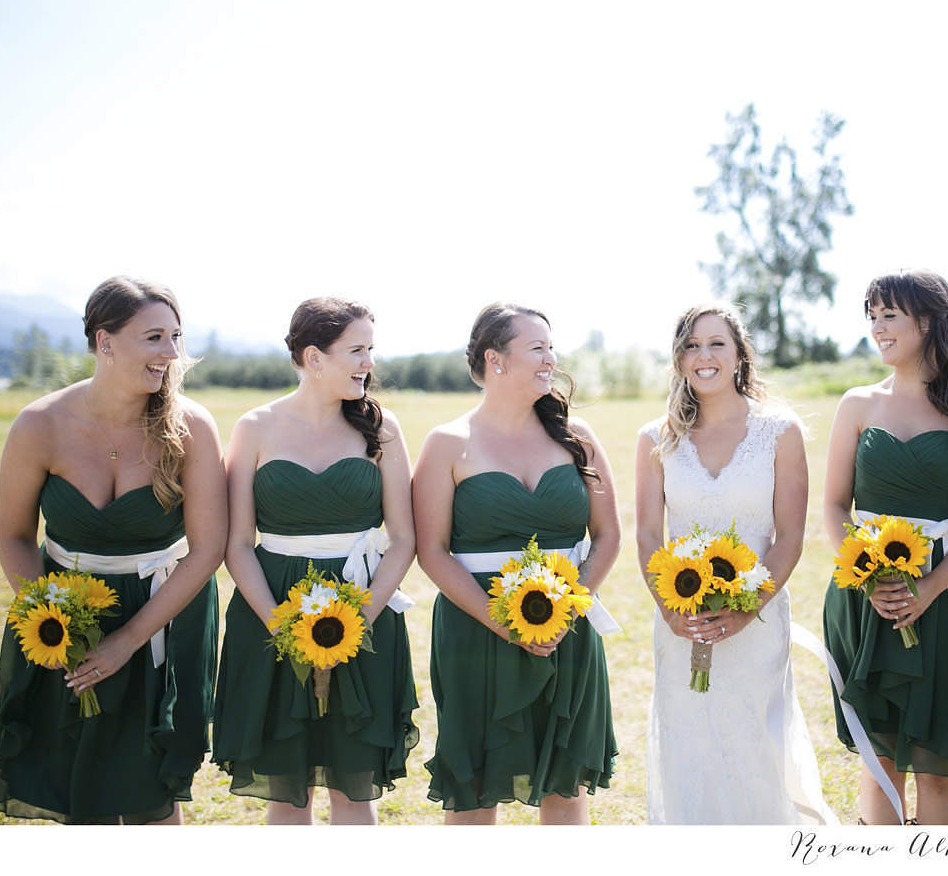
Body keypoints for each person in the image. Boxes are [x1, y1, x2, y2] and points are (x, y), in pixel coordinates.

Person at [0, 276, 226, 824]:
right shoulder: (39, 425)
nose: (171, 354)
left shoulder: (192, 427)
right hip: (63, 615)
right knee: (75, 778)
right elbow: (14, 536)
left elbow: (207, 550)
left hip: (164, 611)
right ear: (104, 342)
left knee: (152, 791)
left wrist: (129, 640)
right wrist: (52, 617)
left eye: (176, 337)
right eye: (154, 337)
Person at [211, 297, 419, 823]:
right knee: (288, 791)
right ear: (314, 357)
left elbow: (403, 539)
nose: (369, 362)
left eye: (371, 349)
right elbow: (237, 542)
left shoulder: (382, 428)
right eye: (356, 350)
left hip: (363, 609)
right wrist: (281, 623)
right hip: (271, 609)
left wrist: (358, 623)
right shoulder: (254, 427)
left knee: (355, 789)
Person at [412, 302, 619, 824]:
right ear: (495, 360)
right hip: (475, 635)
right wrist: (504, 623)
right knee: (477, 787)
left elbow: (609, 535)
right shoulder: (447, 443)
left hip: (567, 635)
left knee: (566, 789)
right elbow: (431, 550)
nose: (551, 358)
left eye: (551, 347)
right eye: (537, 348)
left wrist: (571, 609)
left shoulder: (578, 436)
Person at [820, 269, 948, 825]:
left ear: (928, 322)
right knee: (879, 755)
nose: (877, 328)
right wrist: (866, 576)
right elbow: (834, 506)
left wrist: (929, 587)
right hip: (868, 598)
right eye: (872, 316)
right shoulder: (858, 404)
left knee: (936, 760)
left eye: (890, 316)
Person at [635, 303, 835, 824]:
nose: (704, 356)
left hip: (758, 619)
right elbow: (649, 535)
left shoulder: (780, 432)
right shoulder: (656, 438)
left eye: (717, 343)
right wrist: (670, 611)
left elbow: (789, 536)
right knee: (688, 740)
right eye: (691, 346)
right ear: (678, 361)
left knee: (755, 744)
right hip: (681, 623)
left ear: (740, 354)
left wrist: (749, 609)